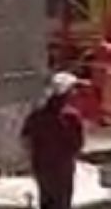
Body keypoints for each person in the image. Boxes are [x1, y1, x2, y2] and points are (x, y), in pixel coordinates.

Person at [21, 72, 84, 209]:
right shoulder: (71, 117)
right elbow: (78, 144)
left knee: (46, 201)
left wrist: (33, 158)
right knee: (62, 203)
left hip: (42, 168)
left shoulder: (37, 115)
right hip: (62, 170)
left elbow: (25, 139)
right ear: (66, 93)